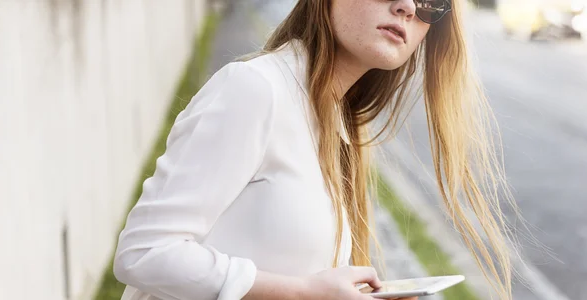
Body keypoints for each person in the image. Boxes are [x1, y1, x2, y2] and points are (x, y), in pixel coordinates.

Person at [113, 0, 516, 299]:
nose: (409, 7)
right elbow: (144, 253)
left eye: (432, 2)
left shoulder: (335, 123)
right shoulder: (255, 89)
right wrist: (302, 291)